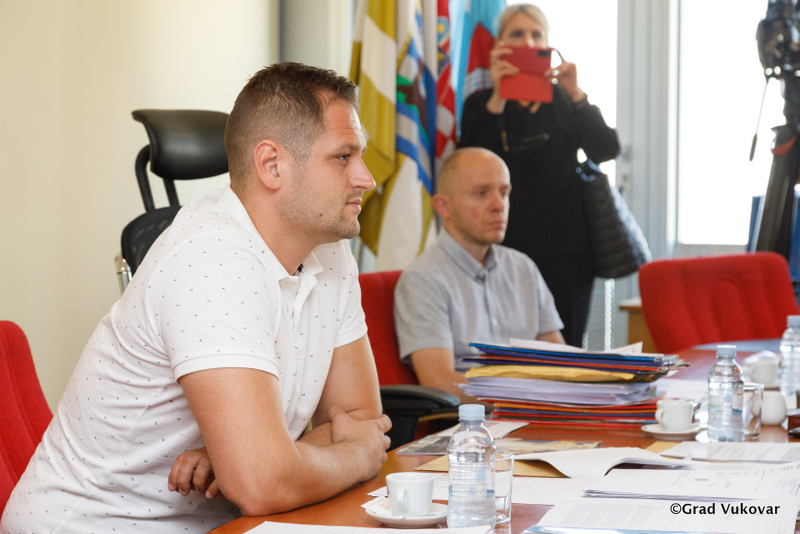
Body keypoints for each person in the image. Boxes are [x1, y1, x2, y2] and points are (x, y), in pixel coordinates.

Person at [1, 62, 392, 534]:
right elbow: (267, 481)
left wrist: (252, 457)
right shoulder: (213, 259)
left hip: (220, 524)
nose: (366, 178)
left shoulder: (329, 246)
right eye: (343, 157)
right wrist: (352, 455)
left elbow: (359, 419)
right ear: (272, 165)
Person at [458, 3, 620, 347]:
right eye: (517, 34)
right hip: (504, 249)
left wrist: (576, 93)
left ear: (548, 44)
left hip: (569, 252)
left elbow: (606, 149)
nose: (528, 43)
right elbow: (469, 166)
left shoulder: (565, 100)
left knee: (567, 350)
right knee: (509, 347)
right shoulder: (481, 103)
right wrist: (499, 96)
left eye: (536, 35)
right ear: (500, 44)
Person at [393, 147, 564, 403]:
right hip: (474, 421)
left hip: (539, 411)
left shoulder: (523, 267)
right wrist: (527, 394)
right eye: (481, 193)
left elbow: (559, 359)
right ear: (444, 206)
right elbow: (439, 381)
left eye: (504, 192)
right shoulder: (423, 279)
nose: (499, 205)